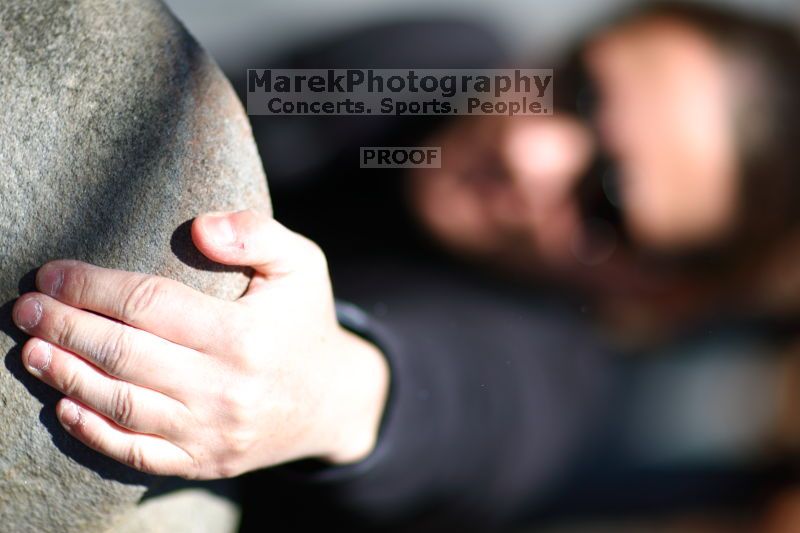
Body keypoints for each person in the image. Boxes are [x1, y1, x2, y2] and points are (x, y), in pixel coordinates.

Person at [11, 2, 800, 531]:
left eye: (604, 204)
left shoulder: (562, 385)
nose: (531, 149)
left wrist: (321, 392)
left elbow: (460, 403)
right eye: (576, 88)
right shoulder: (440, 58)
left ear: (660, 293)